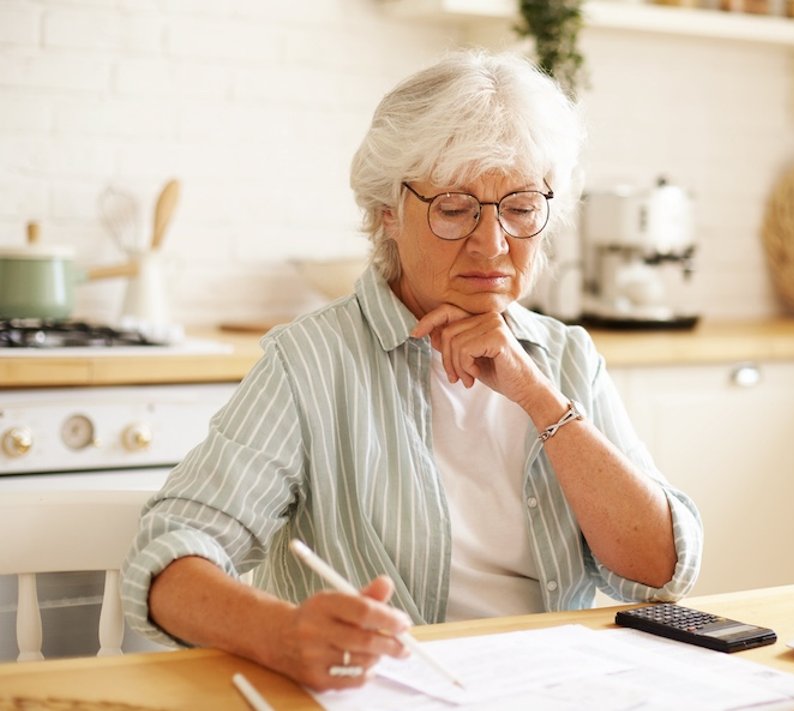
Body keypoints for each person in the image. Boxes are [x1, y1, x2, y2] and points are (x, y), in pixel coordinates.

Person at [121, 49, 703, 691]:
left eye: (519, 206)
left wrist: (538, 398)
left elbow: (659, 568)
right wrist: (283, 636)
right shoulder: (312, 361)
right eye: (454, 209)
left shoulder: (566, 357)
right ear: (385, 213)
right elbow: (168, 560)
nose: (492, 244)